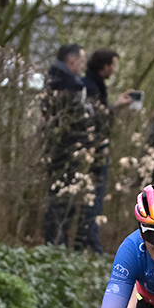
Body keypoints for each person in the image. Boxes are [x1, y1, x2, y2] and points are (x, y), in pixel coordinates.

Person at [77, 48, 134, 253]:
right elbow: (96, 121)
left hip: (94, 149)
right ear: (105, 66)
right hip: (94, 151)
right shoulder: (91, 88)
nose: (114, 70)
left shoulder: (95, 86)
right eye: (113, 65)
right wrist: (115, 107)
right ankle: (88, 243)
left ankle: (86, 241)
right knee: (93, 196)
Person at [41, 43, 95, 246]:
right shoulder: (62, 84)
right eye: (80, 61)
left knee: (65, 198)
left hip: (67, 146)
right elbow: (72, 116)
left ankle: (58, 239)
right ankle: (55, 240)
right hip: (63, 147)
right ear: (71, 59)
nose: (81, 66)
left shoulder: (65, 82)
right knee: (60, 198)